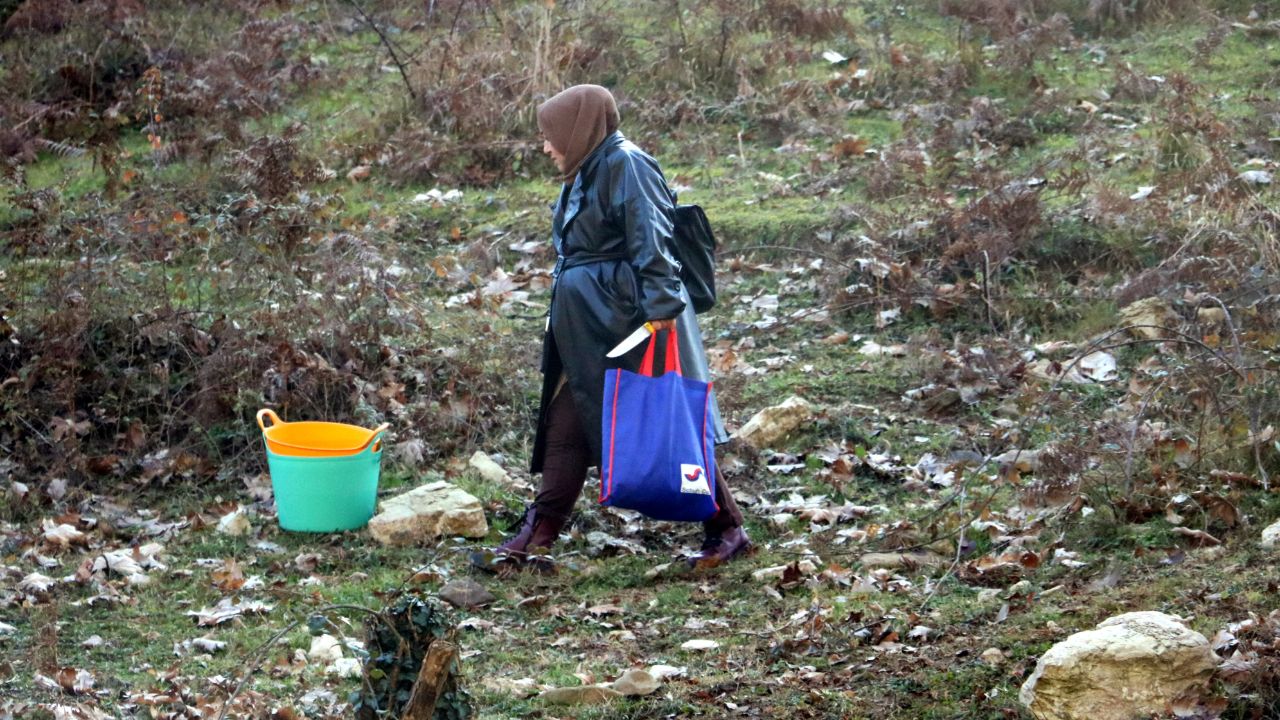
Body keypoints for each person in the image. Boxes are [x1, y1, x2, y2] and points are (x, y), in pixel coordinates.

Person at [472, 84, 750, 573]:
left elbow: (652, 236)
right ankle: (538, 533)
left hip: (631, 319)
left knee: (670, 418)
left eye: (549, 135)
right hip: (590, 322)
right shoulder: (586, 169)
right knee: (567, 420)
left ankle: (727, 527)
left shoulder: (626, 163)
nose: (545, 146)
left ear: (579, 129)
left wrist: (661, 308)